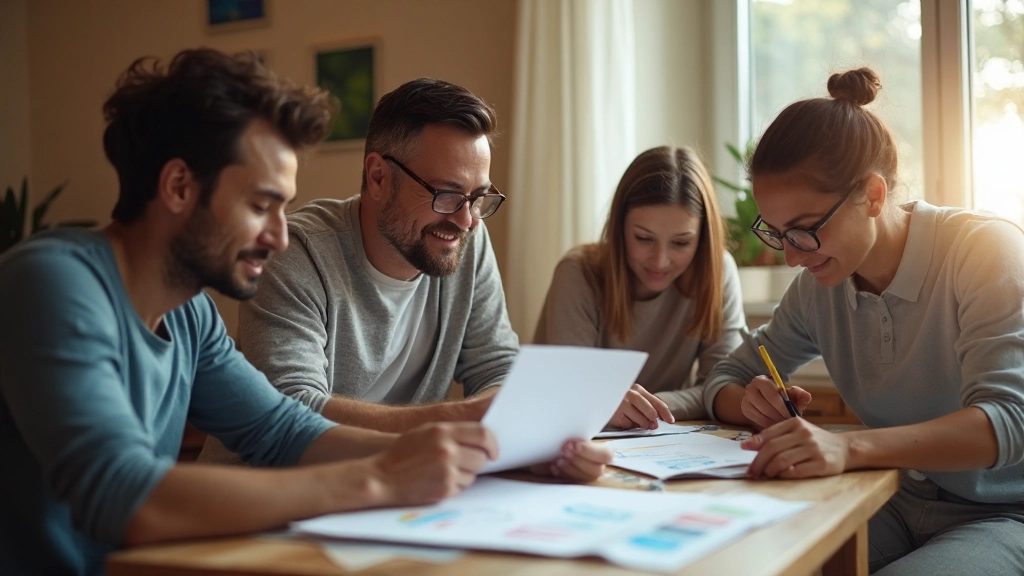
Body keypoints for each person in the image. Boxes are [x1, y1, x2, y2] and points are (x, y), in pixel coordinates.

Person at [0, 49, 506, 576]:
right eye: (261, 206)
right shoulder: (50, 282)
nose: (280, 236)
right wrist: (381, 479)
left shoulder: (188, 313)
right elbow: (127, 496)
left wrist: (436, 449)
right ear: (178, 187)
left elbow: (282, 429)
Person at [198, 77, 611, 481]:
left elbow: (497, 368)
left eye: (477, 197)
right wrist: (461, 417)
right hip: (264, 503)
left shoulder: (466, 237)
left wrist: (523, 441)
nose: (466, 220)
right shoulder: (297, 252)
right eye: (446, 194)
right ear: (378, 177)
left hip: (394, 489)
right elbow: (292, 410)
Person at [703, 68, 1024, 575]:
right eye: (778, 233)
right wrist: (750, 403)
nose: (791, 258)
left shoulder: (985, 251)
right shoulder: (819, 285)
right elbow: (726, 377)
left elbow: (1010, 424)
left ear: (873, 196)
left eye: (804, 231)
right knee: (736, 559)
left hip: (1004, 515)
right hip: (891, 497)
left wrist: (845, 446)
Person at [534, 146, 746, 428]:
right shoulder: (577, 273)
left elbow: (721, 386)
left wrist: (647, 407)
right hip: (575, 433)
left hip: (664, 436)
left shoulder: (718, 272)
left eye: (681, 243)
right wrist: (629, 406)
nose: (660, 260)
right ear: (619, 228)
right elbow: (571, 391)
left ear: (702, 238)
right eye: (644, 238)